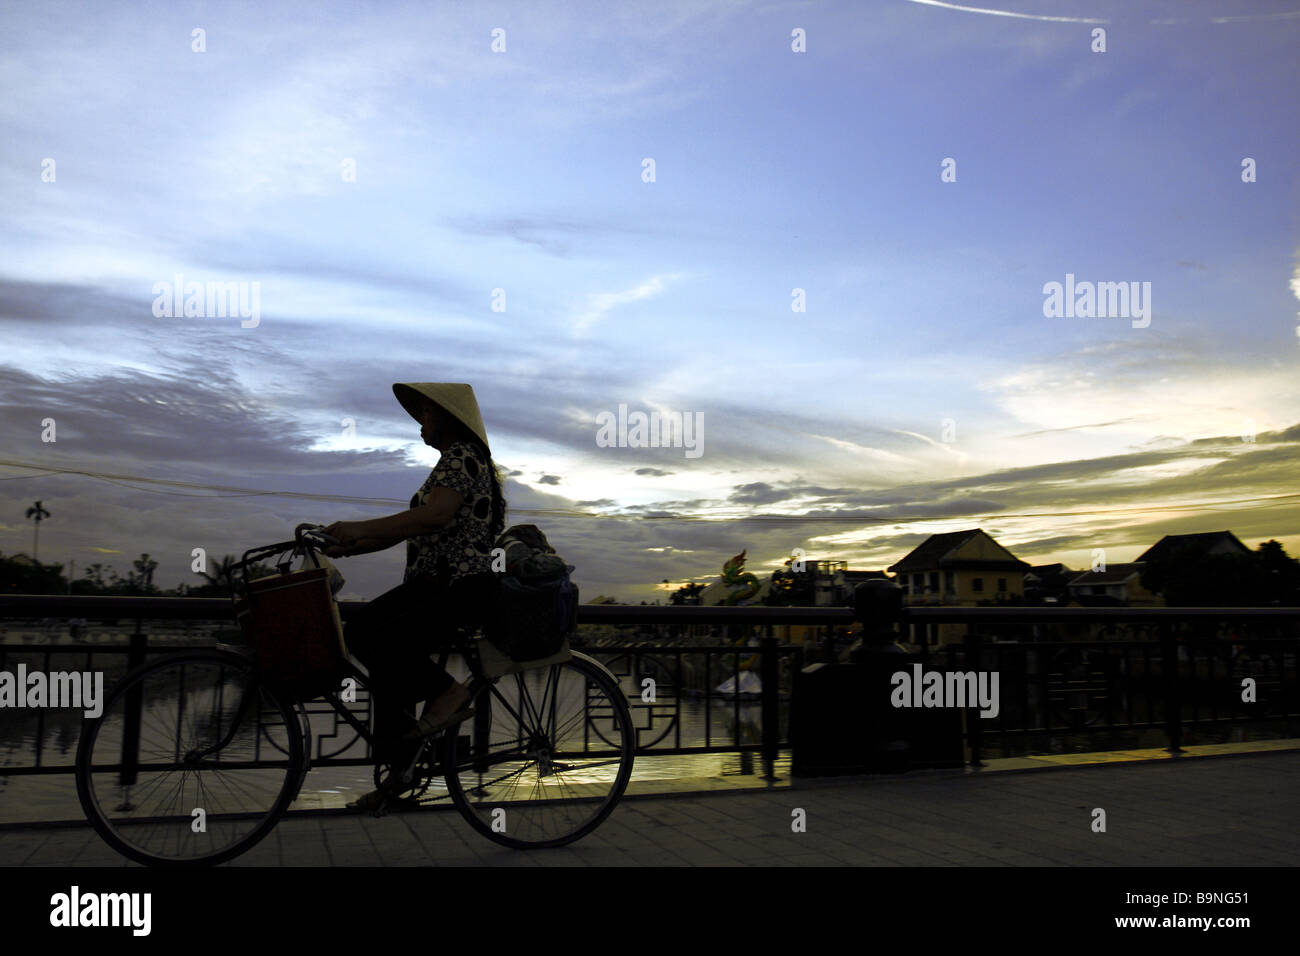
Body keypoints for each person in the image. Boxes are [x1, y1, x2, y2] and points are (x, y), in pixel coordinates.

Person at [322, 382, 505, 812]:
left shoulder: (462, 457)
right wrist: (348, 543)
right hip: (437, 586)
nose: (420, 421)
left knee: (368, 634)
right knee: (383, 658)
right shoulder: (453, 463)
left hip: (455, 588)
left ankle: (448, 694)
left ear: (448, 417)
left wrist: (360, 526)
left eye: (426, 412)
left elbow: (434, 516)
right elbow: (416, 527)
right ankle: (401, 771)